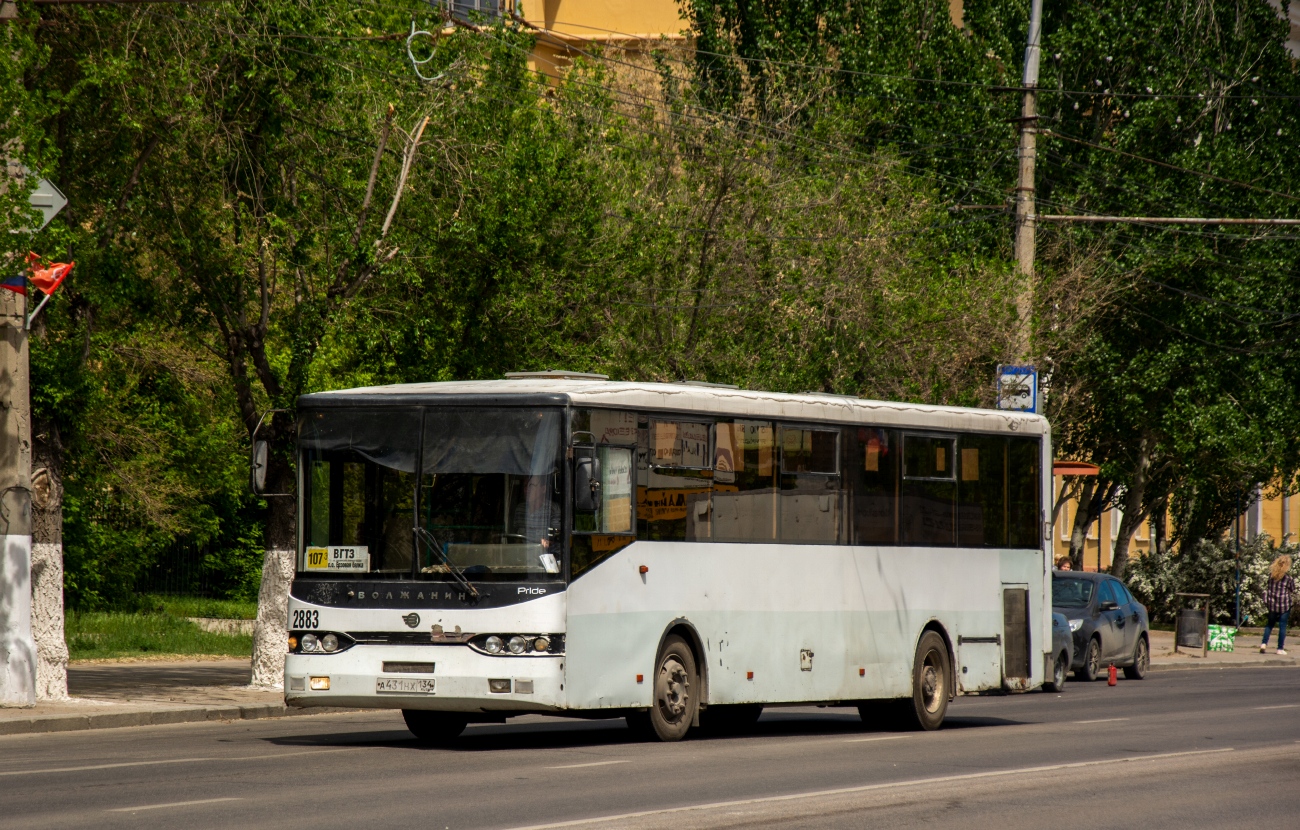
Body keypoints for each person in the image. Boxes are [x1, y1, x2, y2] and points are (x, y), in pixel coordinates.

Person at [1260, 554, 1295, 656]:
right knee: (1282, 626)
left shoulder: (1271, 576)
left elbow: (1268, 587)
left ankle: (1263, 643)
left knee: (1269, 624)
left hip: (1272, 604)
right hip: (1284, 604)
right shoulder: (1288, 578)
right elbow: (1292, 589)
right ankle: (1280, 648)